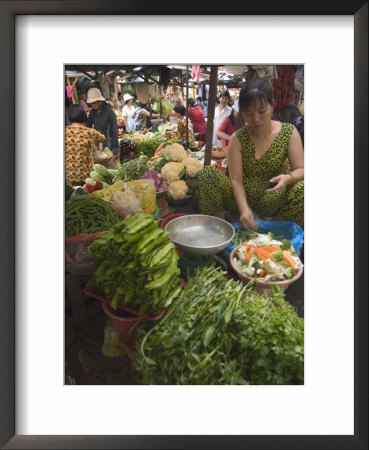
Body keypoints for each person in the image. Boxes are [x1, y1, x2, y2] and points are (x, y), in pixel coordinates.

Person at [198, 78, 304, 228]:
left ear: (272, 106)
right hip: (239, 197)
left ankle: (285, 236)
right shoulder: (238, 138)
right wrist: (244, 209)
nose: (256, 119)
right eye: (249, 113)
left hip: (272, 196)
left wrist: (288, 178)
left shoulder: (289, 132)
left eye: (262, 111)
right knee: (207, 174)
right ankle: (219, 228)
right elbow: (235, 180)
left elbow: (301, 169)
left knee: (302, 190)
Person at [65, 104, 106, 185]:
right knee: (87, 194)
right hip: (87, 174)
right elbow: (103, 138)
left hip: (70, 173)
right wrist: (95, 142)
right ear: (83, 115)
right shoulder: (90, 132)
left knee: (73, 195)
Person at [85, 88, 119, 158]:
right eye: (91, 103)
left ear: (100, 101)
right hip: (98, 144)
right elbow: (88, 126)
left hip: (109, 144)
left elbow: (115, 131)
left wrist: (115, 150)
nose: (93, 105)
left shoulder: (109, 112)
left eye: (94, 103)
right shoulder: (92, 112)